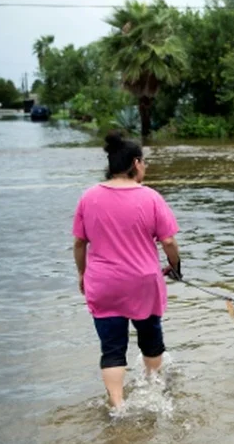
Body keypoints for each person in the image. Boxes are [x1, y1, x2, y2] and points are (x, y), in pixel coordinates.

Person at [72, 131, 181, 409]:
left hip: (104, 284)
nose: (145, 167)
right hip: (143, 283)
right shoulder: (151, 198)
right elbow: (168, 241)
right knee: (151, 341)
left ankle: (118, 407)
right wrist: (175, 266)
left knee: (112, 349)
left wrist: (82, 274)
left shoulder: (89, 197)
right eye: (144, 162)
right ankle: (154, 394)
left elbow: (79, 243)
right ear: (135, 163)